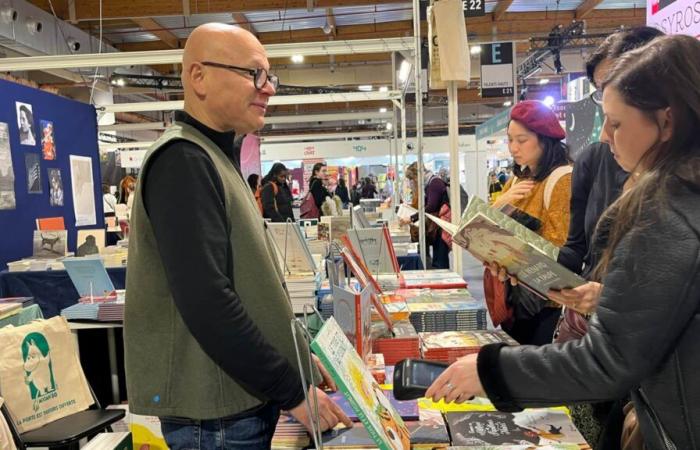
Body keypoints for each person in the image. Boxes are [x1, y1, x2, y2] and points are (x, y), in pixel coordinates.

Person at [427, 34, 700, 450]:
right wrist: (604, 297)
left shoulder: (665, 208)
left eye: (617, 122)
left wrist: (489, 371)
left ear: (666, 122)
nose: (605, 136)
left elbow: (609, 359)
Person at [124, 24, 350, 450]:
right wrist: (292, 389)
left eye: (270, 77)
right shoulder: (184, 161)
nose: (267, 89)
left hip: (233, 405)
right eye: (253, 74)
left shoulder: (212, 157)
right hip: (217, 417)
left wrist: (295, 357)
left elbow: (246, 284)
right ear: (198, 77)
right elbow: (208, 302)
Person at [548, 27, 664, 448]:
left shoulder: (676, 192)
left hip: (652, 379)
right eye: (601, 96)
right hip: (597, 343)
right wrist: (526, 268)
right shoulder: (597, 161)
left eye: (617, 115)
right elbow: (582, 251)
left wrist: (613, 297)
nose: (602, 130)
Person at [487, 100, 572, 346]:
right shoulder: (515, 180)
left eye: (522, 140)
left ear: (545, 139)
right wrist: (500, 205)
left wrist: (513, 255)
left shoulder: (562, 180)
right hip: (516, 298)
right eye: (510, 139)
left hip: (547, 306)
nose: (513, 148)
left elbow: (562, 250)